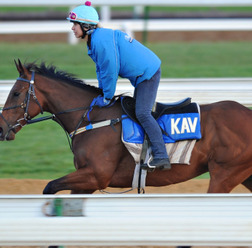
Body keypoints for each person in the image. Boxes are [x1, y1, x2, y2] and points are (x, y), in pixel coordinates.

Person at [67, 1, 171, 170]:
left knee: (142, 113)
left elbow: (110, 70)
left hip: (148, 73)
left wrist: (107, 96)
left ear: (86, 26)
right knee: (137, 112)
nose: (72, 28)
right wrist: (102, 92)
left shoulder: (100, 41)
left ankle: (161, 156)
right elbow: (101, 69)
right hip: (143, 73)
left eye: (75, 24)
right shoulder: (95, 39)